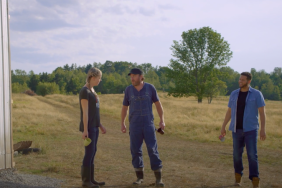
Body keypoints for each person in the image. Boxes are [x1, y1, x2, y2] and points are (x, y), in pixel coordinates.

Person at [220, 72, 266, 188]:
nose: (240, 81)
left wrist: (263, 129)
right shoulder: (234, 94)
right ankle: (237, 179)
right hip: (236, 130)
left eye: (243, 80)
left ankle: (255, 181)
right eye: (239, 80)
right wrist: (223, 126)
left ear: (249, 81)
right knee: (236, 155)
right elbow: (229, 111)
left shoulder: (257, 94)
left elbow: (262, 112)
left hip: (251, 130)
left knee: (252, 155)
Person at [121, 68, 165, 187]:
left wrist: (162, 120)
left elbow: (158, 104)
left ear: (141, 76)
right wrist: (122, 123)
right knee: (135, 150)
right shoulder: (128, 90)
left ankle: (158, 179)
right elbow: (125, 107)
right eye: (131, 76)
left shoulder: (150, 88)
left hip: (148, 124)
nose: (132, 78)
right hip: (134, 125)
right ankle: (139, 178)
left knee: (152, 150)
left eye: (134, 76)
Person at [79, 67, 107, 188]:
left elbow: (94, 111)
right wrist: (85, 130)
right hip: (89, 128)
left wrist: (100, 125)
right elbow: (85, 112)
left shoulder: (92, 91)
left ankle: (91, 179)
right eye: (99, 78)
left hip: (95, 127)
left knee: (93, 152)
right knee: (89, 153)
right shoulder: (84, 91)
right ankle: (86, 181)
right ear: (93, 77)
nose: (100, 80)